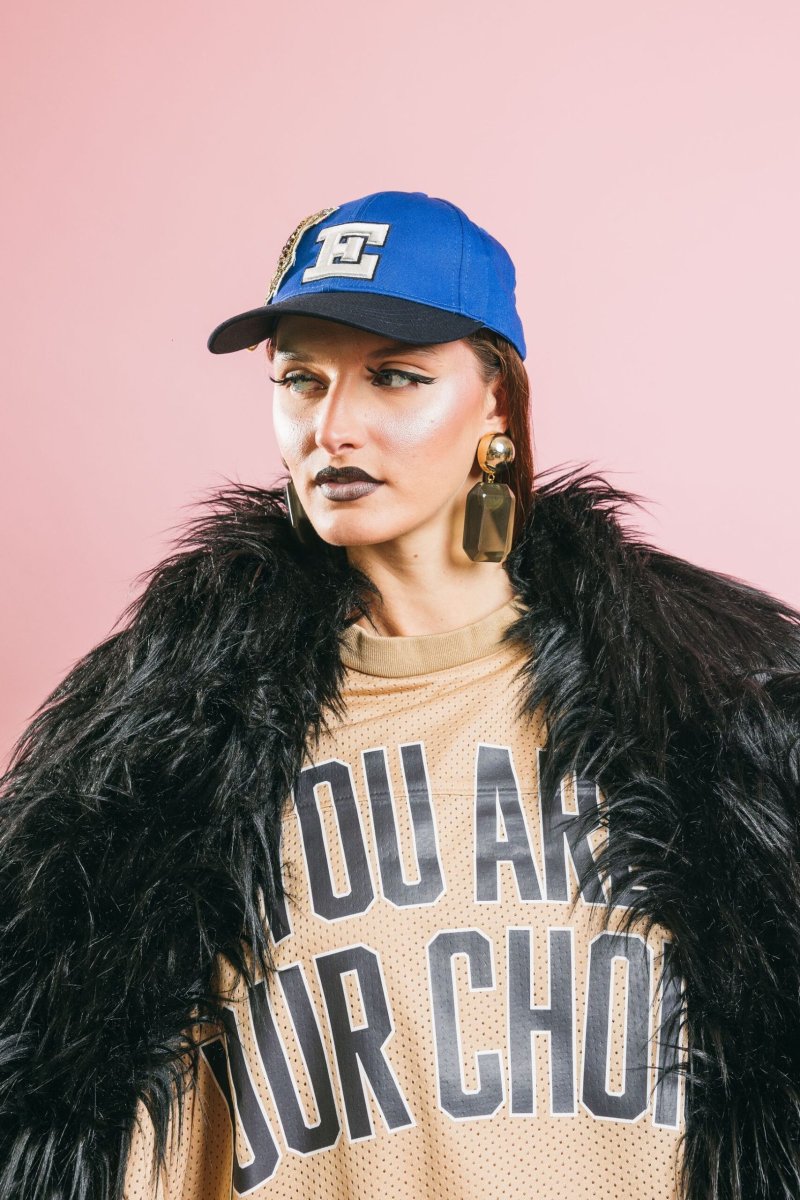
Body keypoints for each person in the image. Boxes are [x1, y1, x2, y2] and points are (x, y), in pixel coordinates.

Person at [1, 190, 799, 1200]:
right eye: (301, 379)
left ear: (497, 404)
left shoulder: (714, 713)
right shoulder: (163, 751)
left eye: (394, 377)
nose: (332, 427)